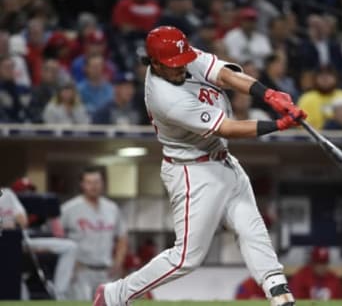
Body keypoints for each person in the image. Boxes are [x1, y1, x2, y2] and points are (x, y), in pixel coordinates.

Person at [93, 25, 305, 306]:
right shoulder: (165, 97)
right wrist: (277, 124)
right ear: (154, 63)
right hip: (193, 170)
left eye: (182, 60)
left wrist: (267, 95)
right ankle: (114, 294)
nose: (181, 68)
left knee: (251, 227)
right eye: (173, 65)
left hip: (222, 160)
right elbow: (227, 128)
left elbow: (226, 75)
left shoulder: (181, 55)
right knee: (186, 258)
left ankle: (279, 294)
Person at [0, 184, 77, 300]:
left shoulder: (6, 193)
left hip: (18, 242)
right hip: (4, 251)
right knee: (19, 294)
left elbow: (23, 221)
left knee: (70, 247)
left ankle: (59, 295)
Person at [62, 166, 128, 301]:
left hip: (106, 271)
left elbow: (122, 237)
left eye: (97, 182)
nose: (93, 186)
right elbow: (57, 237)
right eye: (89, 182)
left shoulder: (112, 208)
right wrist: (68, 263)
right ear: (82, 185)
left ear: (103, 183)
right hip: (81, 271)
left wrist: (118, 262)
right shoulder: (69, 208)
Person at [297, 66, 342, 130]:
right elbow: (300, 125)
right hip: (313, 140)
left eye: (329, 76)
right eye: (321, 76)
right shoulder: (306, 98)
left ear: (336, 78)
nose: (325, 79)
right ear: (315, 79)